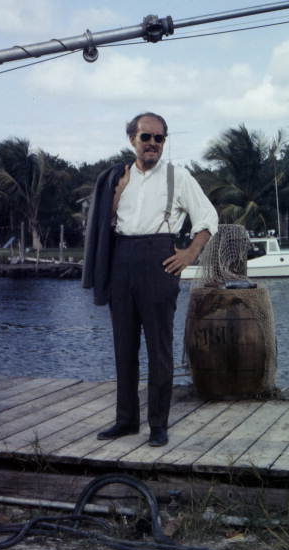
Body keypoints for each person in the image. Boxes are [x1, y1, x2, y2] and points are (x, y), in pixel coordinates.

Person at [83, 112, 218, 447]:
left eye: (160, 138)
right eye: (147, 137)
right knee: (123, 347)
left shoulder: (178, 177)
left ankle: (158, 423)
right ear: (133, 140)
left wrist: (189, 254)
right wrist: (117, 193)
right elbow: (104, 221)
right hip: (121, 259)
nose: (153, 144)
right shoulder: (118, 176)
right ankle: (126, 421)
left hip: (160, 259)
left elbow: (208, 218)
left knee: (159, 349)